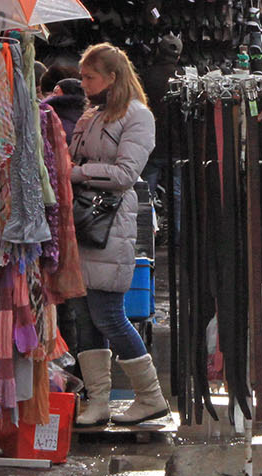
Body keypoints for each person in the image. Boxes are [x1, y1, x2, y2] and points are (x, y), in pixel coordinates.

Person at [68, 43, 168, 427]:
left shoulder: (137, 116)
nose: (84, 83)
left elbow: (127, 174)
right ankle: (98, 401)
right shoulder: (93, 114)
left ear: (112, 77)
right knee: (83, 314)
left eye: (89, 76)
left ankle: (150, 396)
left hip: (110, 225)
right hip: (84, 221)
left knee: (108, 314)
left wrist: (75, 173)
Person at [138, 35, 182, 112]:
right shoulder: (184, 76)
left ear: (158, 51)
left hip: (150, 121)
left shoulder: (145, 75)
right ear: (178, 57)